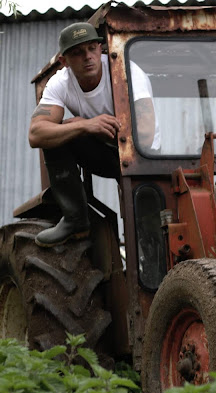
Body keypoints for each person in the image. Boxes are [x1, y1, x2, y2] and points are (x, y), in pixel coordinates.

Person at [28, 22, 160, 248]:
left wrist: (89, 126)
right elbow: (36, 134)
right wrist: (85, 126)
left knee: (150, 232)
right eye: (78, 53)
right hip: (105, 154)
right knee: (57, 135)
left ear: (101, 49)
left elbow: (145, 136)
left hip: (143, 158)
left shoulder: (127, 71)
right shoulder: (60, 82)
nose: (87, 57)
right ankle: (75, 219)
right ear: (64, 61)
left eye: (92, 48)